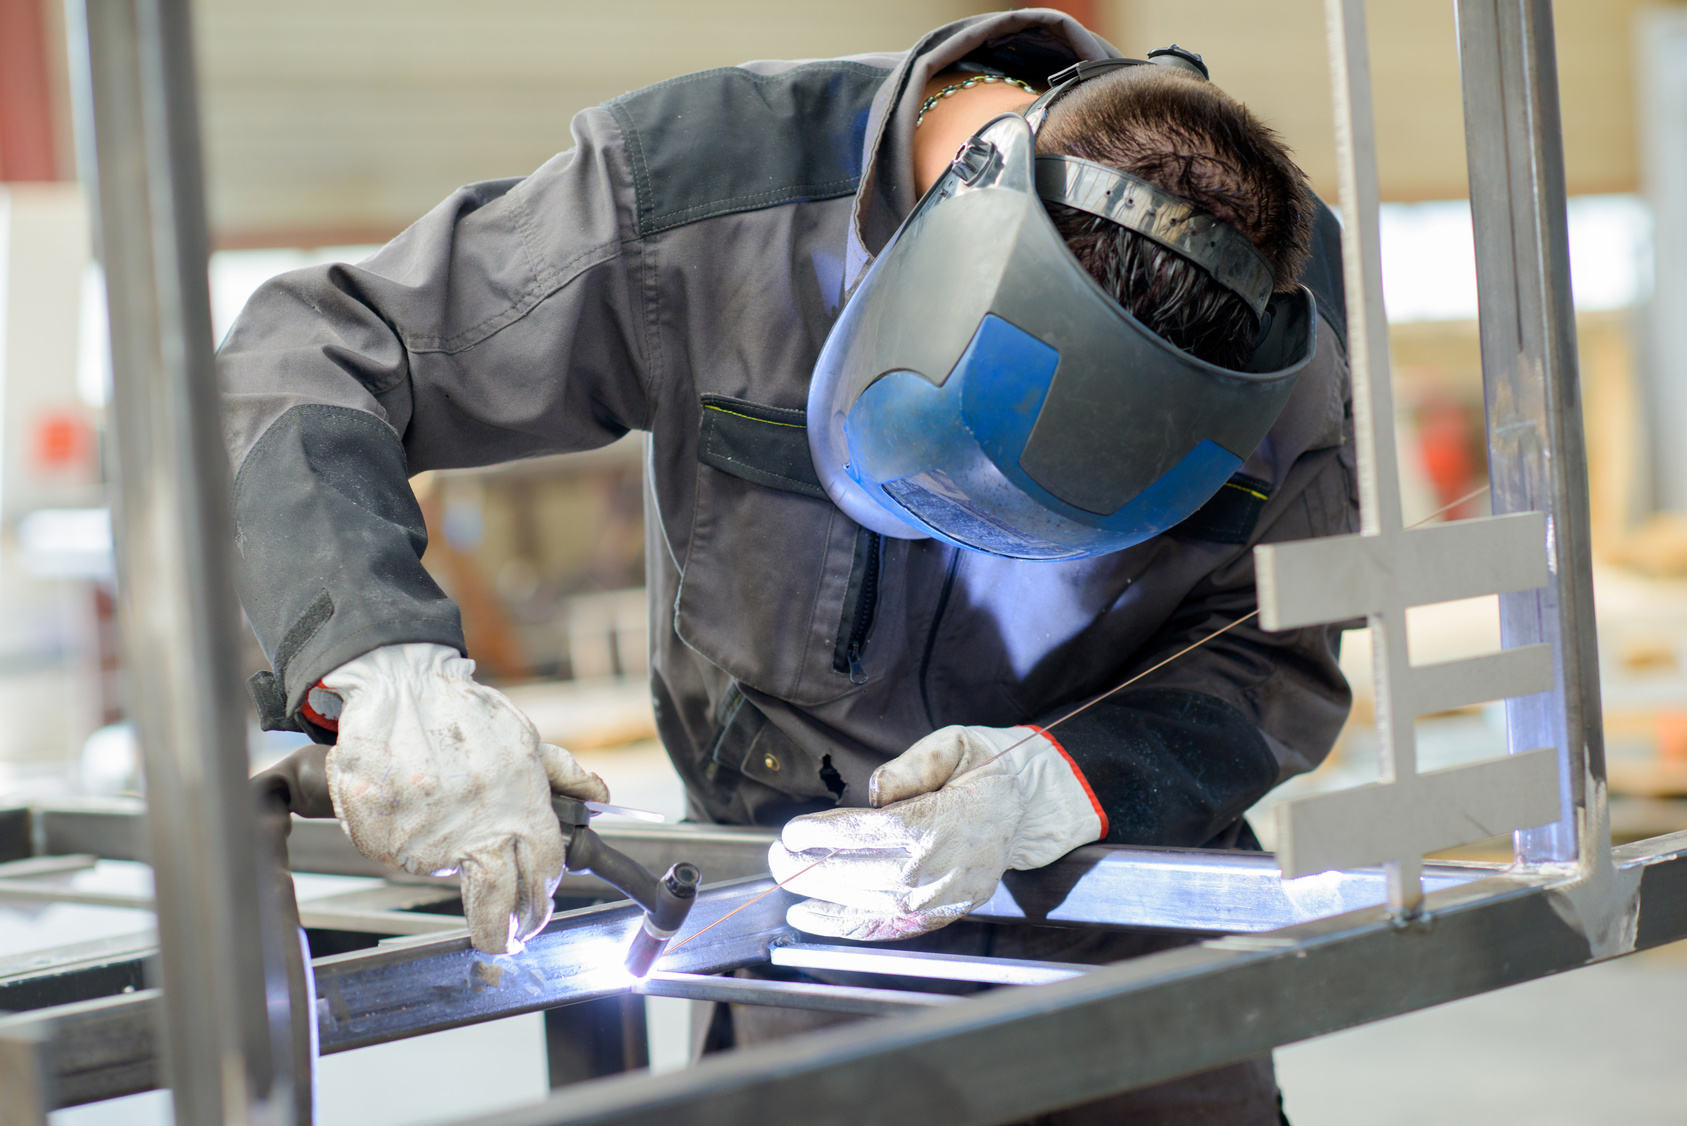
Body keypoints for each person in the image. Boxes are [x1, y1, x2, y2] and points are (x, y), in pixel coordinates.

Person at [220, 10, 1353, 1123]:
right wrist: (387, 664)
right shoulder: (703, 199)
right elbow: (308, 353)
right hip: (808, 934)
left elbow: (1272, 656)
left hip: (1127, 929)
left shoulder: (1278, 313)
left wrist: (1061, 783)